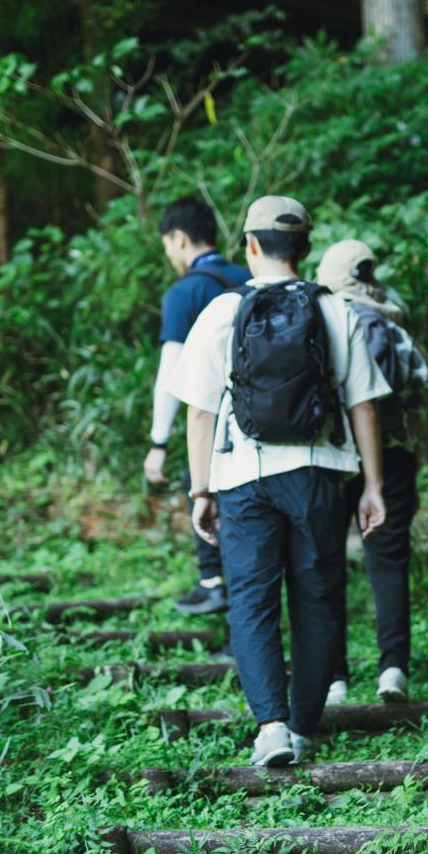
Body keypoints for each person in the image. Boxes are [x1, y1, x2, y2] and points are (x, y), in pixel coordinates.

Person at [166, 196, 390, 767]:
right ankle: (304, 726)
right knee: (318, 598)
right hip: (321, 474)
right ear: (307, 248)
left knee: (252, 600)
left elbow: (198, 411)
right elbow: (364, 405)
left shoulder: (221, 311)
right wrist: (373, 487)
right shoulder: (335, 309)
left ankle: (269, 727)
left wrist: (200, 490)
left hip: (244, 477)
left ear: (250, 245)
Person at [315, 240, 428, 705]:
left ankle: (333, 675)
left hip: (333, 458)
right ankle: (393, 668)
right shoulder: (389, 323)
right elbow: (418, 383)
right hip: (393, 452)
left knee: (324, 565)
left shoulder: (320, 322)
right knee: (388, 560)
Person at [146, 197, 251, 616]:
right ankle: (232, 606)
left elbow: (171, 375)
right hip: (258, 422)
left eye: (167, 245)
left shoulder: (184, 292)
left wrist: (158, 442)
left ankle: (214, 585)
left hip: (210, 423)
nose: (170, 254)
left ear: (180, 238)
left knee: (203, 493)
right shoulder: (247, 276)